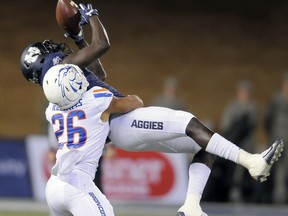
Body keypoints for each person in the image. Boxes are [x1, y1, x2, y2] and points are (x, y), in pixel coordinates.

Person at [20, 3, 284, 216]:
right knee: (187, 122)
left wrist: (77, 37)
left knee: (206, 144)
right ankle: (252, 161)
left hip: (64, 177)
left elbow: (99, 72)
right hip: (120, 123)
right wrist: (93, 17)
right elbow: (107, 57)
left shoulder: (56, 102)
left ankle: (191, 206)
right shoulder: (72, 80)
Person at [43, 63, 143, 215]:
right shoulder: (96, 98)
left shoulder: (51, 109)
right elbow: (135, 103)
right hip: (78, 185)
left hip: (53, 187)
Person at [264, 72, 288, 203]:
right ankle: (277, 195)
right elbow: (268, 118)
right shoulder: (277, 99)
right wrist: (272, 135)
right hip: (279, 138)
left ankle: (281, 194)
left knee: (284, 168)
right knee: (277, 167)